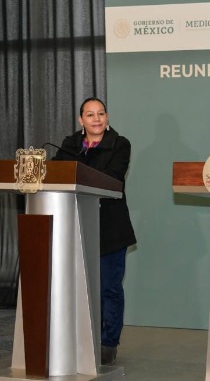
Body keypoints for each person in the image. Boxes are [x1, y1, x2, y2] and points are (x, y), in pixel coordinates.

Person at [53, 97, 137, 366]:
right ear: (81, 120)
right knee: (79, 286)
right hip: (75, 224)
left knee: (109, 288)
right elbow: (56, 172)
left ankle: (108, 342)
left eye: (101, 113)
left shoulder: (120, 144)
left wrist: (79, 169)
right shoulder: (69, 145)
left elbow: (112, 177)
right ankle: (80, 338)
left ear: (107, 117)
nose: (96, 119)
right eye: (90, 115)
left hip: (110, 227)